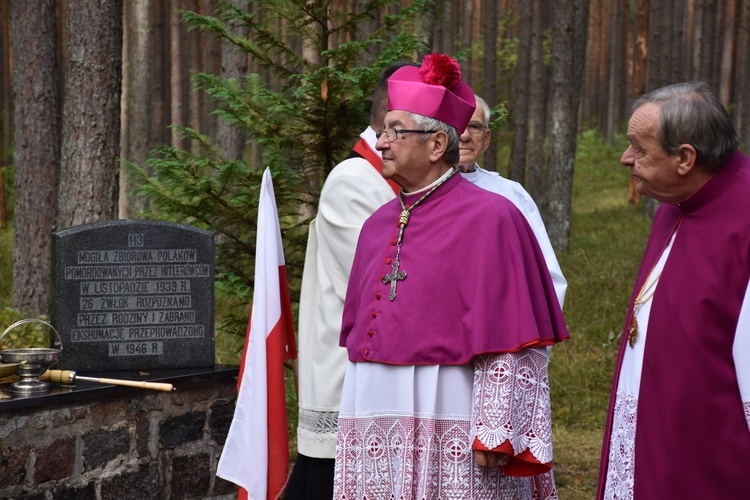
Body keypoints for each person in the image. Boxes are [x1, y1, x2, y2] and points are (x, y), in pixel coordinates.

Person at [333, 53, 569, 498]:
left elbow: (514, 335)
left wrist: (496, 426)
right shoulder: (377, 223)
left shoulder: (493, 217)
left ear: (437, 145)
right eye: (384, 130)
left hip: (453, 409)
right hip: (375, 413)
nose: (381, 142)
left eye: (394, 132)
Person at [597, 81, 750, 498]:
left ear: (685, 157)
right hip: (652, 425)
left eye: (639, 149)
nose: (627, 159)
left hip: (709, 461)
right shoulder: (676, 202)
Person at [284, 62, 416, 499]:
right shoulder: (354, 180)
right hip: (348, 387)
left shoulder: (403, 182)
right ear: (395, 121)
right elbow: (384, 284)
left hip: (391, 379)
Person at [458, 94, 566, 308]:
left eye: (474, 127)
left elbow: (546, 274)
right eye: (457, 125)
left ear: (486, 138)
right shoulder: (420, 191)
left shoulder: (512, 194)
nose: (464, 135)